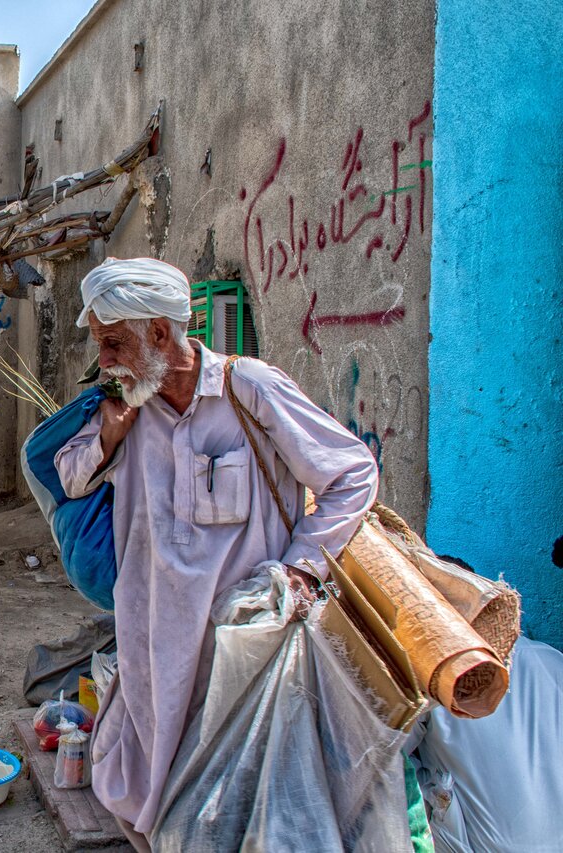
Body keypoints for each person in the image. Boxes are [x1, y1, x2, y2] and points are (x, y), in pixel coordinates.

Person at [53, 257, 379, 851]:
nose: (104, 361)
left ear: (159, 331)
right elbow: (70, 478)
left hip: (240, 644)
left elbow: (352, 474)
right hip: (154, 633)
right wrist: (110, 434)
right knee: (149, 781)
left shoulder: (248, 387)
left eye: (114, 343)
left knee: (238, 794)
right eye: (100, 345)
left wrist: (304, 566)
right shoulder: (127, 404)